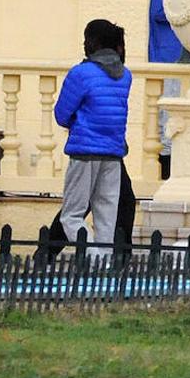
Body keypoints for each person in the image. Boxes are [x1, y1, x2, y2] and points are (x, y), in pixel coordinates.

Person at [53, 19, 132, 244]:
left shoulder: (81, 73)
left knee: (71, 215)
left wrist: (78, 122)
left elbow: (61, 115)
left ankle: (92, 255)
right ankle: (103, 267)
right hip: (113, 155)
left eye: (86, 40)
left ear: (93, 43)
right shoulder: (125, 76)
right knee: (106, 218)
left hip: (84, 152)